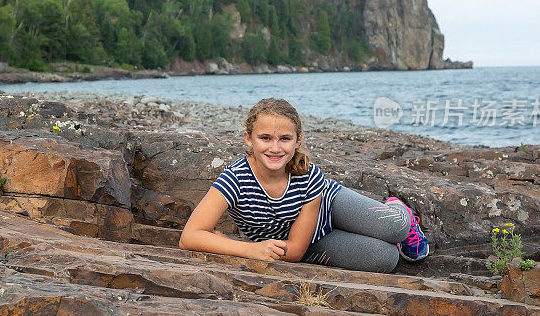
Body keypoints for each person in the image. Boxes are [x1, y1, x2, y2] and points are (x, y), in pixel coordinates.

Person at [179, 97, 428, 273]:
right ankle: (373, 234)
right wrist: (252, 250)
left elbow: (291, 251)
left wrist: (247, 247)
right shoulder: (235, 179)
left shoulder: (308, 175)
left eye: (285, 139)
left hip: (330, 206)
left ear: (298, 140)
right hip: (304, 244)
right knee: (385, 259)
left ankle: (398, 210)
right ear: (249, 138)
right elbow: (189, 236)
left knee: (396, 227)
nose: (275, 148)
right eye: (265, 138)